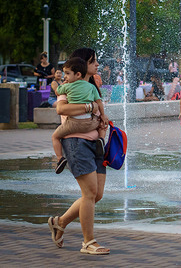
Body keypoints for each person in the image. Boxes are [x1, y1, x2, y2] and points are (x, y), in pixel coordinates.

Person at [47, 47, 110, 255]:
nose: (97, 65)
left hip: (96, 143)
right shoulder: (69, 85)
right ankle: (88, 242)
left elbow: (99, 109)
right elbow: (61, 109)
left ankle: (60, 222)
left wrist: (103, 120)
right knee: (89, 193)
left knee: (96, 194)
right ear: (82, 65)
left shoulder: (92, 86)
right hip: (76, 141)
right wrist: (90, 108)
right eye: (93, 61)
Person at [51, 57, 107, 174]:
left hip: (74, 123)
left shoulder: (68, 86)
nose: (64, 77)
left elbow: (57, 92)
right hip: (90, 122)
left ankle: (60, 158)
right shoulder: (91, 87)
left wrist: (57, 86)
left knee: (55, 136)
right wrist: (103, 115)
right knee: (102, 125)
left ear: (77, 74)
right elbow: (99, 102)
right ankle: (101, 139)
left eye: (67, 73)